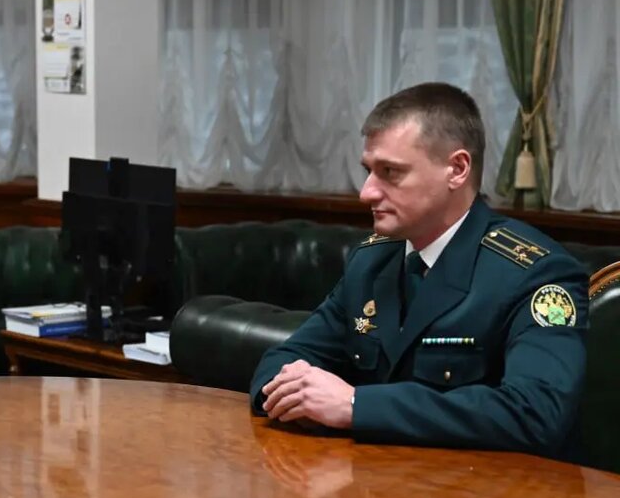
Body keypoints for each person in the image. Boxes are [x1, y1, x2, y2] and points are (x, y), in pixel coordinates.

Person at [250, 82, 588, 455]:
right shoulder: (372, 260)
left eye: (390, 172)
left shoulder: (534, 273)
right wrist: (300, 396)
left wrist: (356, 407)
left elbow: (536, 413)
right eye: (368, 171)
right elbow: (282, 360)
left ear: (457, 169)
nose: (366, 192)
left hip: (487, 487)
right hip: (377, 477)